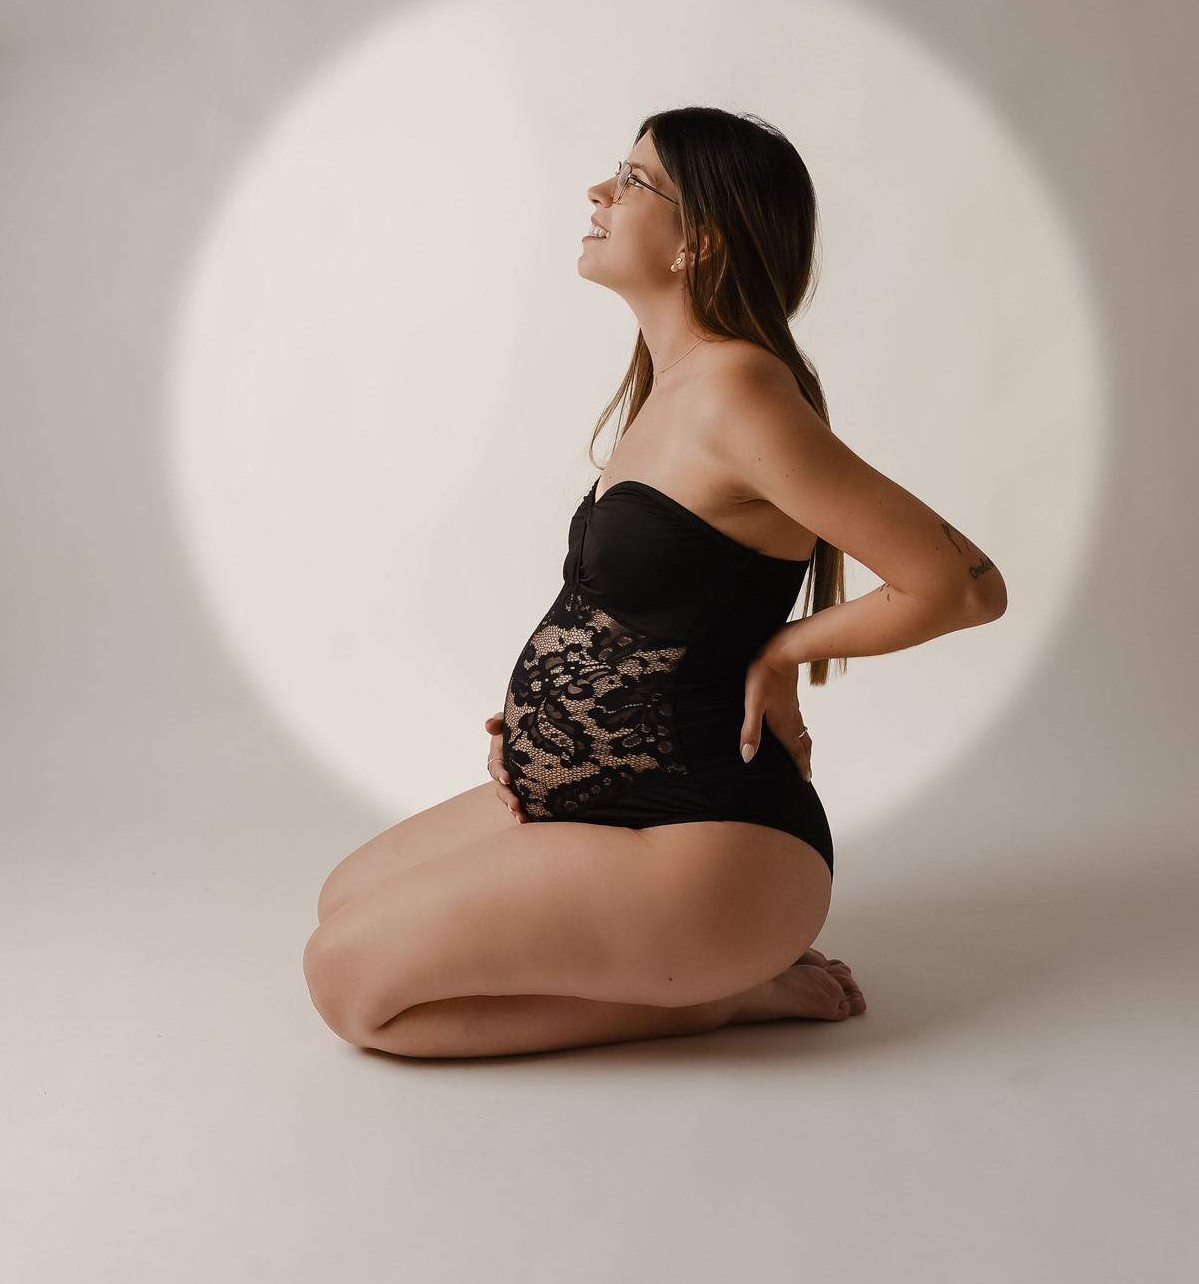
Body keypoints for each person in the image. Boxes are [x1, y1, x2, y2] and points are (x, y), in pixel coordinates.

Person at [303, 106, 1007, 1059]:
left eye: (633, 182)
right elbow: (643, 614)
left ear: (698, 241)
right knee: (341, 903)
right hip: (605, 801)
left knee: (348, 986)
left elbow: (962, 586)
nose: (599, 192)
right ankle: (677, 964)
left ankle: (717, 999)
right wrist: (550, 730)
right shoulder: (674, 384)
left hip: (712, 837)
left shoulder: (738, 392)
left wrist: (785, 651)